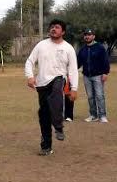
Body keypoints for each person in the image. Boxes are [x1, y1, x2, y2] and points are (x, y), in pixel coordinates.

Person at [24, 19, 79, 156]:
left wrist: (74, 88)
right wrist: (30, 76)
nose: (53, 29)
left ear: (63, 31)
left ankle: (59, 127)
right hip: (42, 83)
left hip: (59, 79)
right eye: (52, 27)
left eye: (57, 27)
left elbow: (73, 70)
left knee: (56, 95)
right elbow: (30, 61)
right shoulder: (41, 45)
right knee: (44, 115)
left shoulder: (68, 48)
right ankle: (46, 147)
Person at [76, 29, 110, 123]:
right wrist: (72, 70)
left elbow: (105, 61)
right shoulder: (83, 49)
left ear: (93, 36)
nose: (87, 36)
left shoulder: (100, 47)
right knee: (90, 97)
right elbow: (78, 62)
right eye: (86, 35)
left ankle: (102, 116)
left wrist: (105, 73)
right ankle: (93, 115)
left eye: (89, 35)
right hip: (86, 76)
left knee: (99, 96)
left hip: (98, 76)